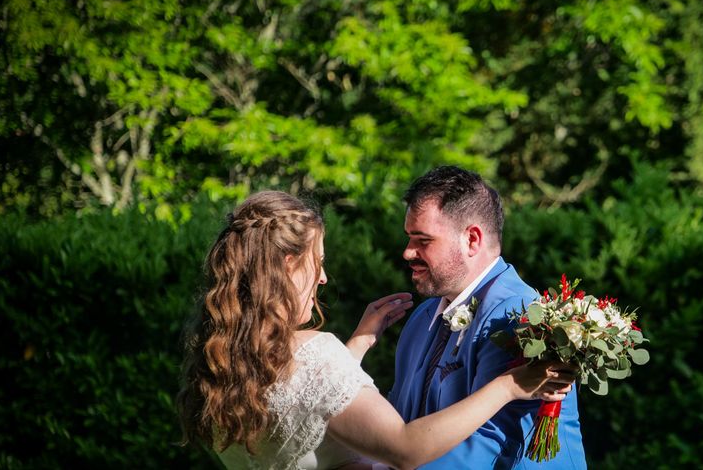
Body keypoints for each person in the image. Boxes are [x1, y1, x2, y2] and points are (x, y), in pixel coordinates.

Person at [176, 190, 574, 470]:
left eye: (422, 240)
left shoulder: (224, 364)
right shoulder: (326, 353)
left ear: (472, 238)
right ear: (286, 265)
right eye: (319, 261)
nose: (324, 277)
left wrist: (358, 345)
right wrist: (508, 386)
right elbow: (400, 442)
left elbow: (310, 402)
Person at [389, 166, 587, 469]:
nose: (407, 252)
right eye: (408, 238)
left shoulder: (521, 318)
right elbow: (399, 417)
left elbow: (491, 444)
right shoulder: (422, 316)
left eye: (423, 240)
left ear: (472, 240)